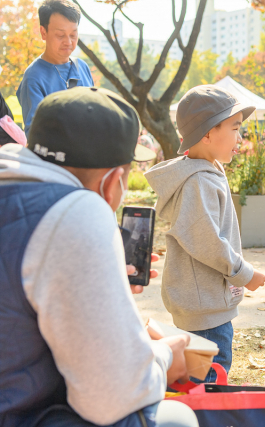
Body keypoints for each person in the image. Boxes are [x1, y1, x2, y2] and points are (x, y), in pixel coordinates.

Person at [0, 87, 198, 426]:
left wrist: (101, 279)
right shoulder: (77, 210)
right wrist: (168, 356)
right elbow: (112, 396)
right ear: (111, 182)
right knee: (175, 417)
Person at [145, 85, 265, 383]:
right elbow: (206, 242)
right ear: (207, 133)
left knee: (198, 380)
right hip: (204, 311)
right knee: (209, 380)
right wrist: (244, 273)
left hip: (204, 303)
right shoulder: (199, 180)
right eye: (236, 128)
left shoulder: (205, 170)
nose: (241, 137)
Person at [17, 0, 94, 135]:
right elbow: (35, 134)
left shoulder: (82, 67)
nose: (68, 42)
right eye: (60, 35)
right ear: (43, 32)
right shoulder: (33, 77)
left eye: (73, 34)